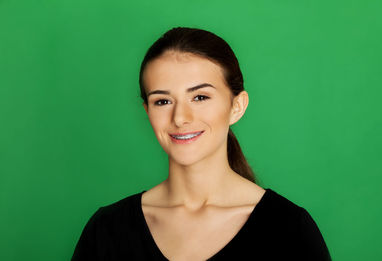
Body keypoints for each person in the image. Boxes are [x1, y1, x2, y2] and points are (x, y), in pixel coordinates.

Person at [71, 26, 332, 261]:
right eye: (162, 101)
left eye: (200, 97)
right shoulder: (106, 229)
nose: (180, 118)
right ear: (147, 111)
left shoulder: (290, 229)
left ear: (237, 106)